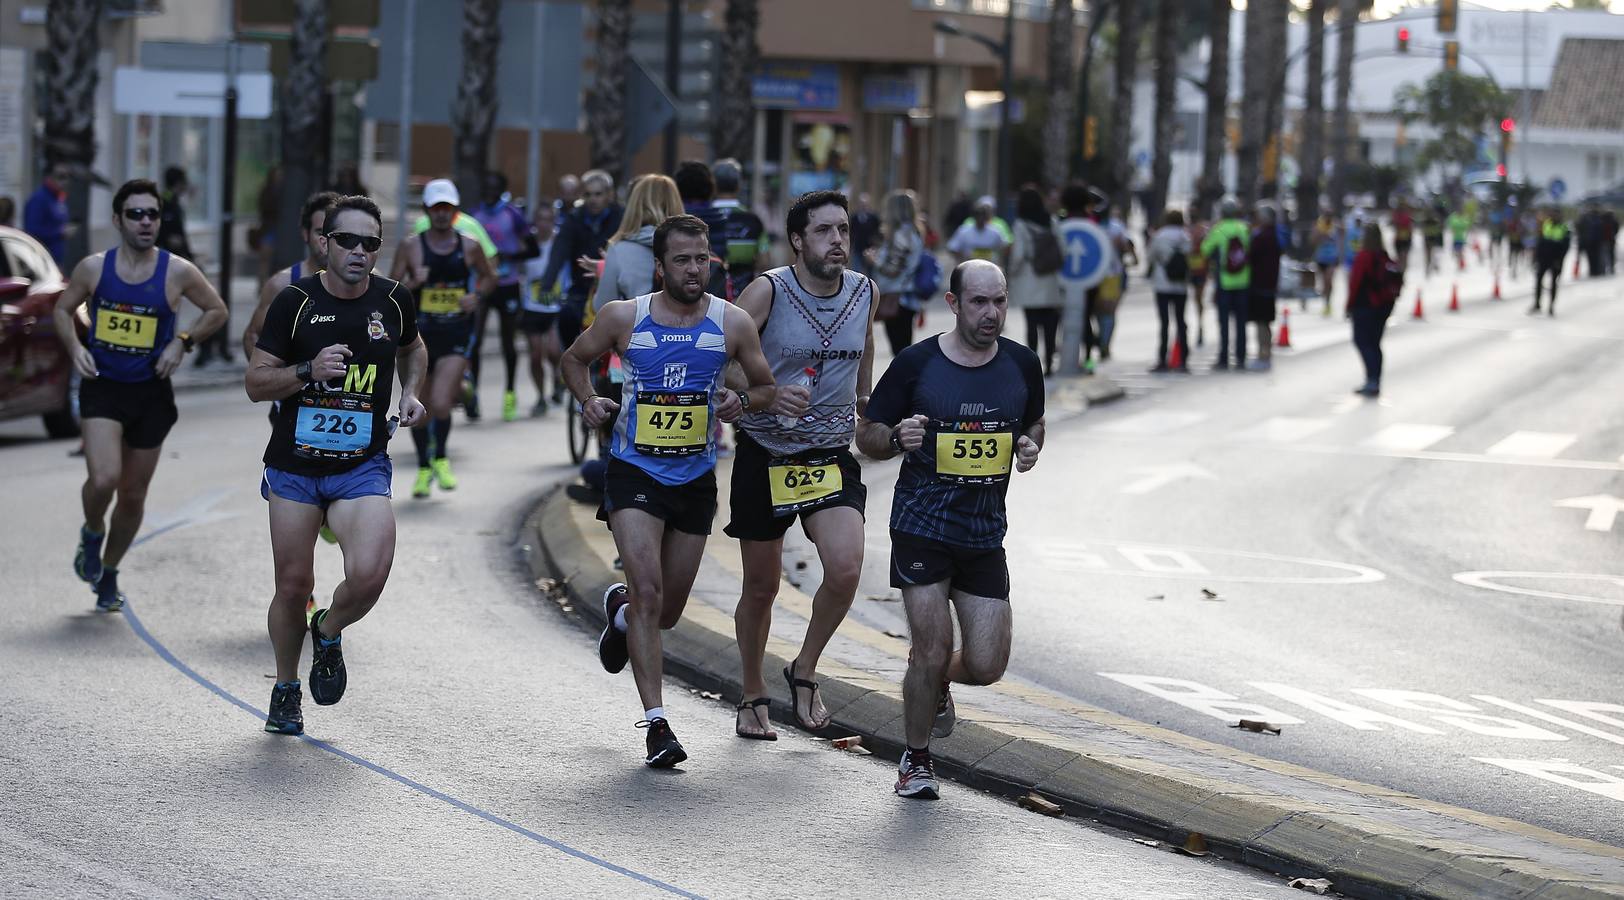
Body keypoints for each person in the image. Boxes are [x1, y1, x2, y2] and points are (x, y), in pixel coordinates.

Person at [562, 214, 790, 767]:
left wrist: (741, 402)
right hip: (634, 472)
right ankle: (657, 725)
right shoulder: (625, 317)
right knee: (649, 592)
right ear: (660, 266)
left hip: (694, 480)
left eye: (701, 259)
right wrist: (588, 400)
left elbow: (765, 387)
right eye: (682, 260)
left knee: (664, 612)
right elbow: (574, 359)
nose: (694, 269)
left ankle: (620, 614)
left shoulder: (732, 323)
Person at [856, 258, 1045, 800]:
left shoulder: (1022, 363)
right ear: (954, 303)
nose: (991, 313)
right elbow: (866, 434)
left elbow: (1034, 421)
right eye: (979, 302)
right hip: (922, 526)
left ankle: (934, 678)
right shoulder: (917, 364)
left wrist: (1030, 445)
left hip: (984, 534)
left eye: (999, 301)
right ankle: (916, 760)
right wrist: (897, 439)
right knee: (931, 646)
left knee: (986, 666)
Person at [246, 194, 428, 736]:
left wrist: (410, 392)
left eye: (370, 243)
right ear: (324, 242)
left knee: (370, 574)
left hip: (361, 465)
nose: (359, 251)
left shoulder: (393, 299)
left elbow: (413, 348)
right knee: (292, 584)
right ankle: (285, 688)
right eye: (347, 240)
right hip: (296, 467)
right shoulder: (295, 301)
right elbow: (256, 382)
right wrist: (308, 369)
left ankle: (327, 629)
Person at [726, 190, 872, 740]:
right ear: (797, 239)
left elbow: (865, 347)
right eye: (824, 231)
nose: (837, 241)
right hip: (765, 451)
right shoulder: (768, 290)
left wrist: (866, 404)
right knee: (761, 586)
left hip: (829, 454)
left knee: (846, 568)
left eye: (843, 230)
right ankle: (751, 693)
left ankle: (804, 668)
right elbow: (721, 359)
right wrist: (764, 391)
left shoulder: (864, 290)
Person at [53, 178, 229, 611]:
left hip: (151, 393)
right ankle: (92, 531)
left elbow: (217, 310)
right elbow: (62, 308)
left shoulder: (177, 271)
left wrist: (182, 342)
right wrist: (75, 347)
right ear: (118, 220)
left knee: (132, 496)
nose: (146, 221)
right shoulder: (94, 268)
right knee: (104, 479)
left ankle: (109, 571)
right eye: (136, 214)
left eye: (153, 214)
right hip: (104, 386)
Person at [389, 179, 496, 497]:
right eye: (436, 208)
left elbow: (490, 277)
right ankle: (424, 467)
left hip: (456, 332)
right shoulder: (411, 246)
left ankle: (441, 459)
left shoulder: (470, 245)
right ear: (426, 210)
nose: (441, 214)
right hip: (418, 336)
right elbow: (389, 290)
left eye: (446, 208)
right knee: (419, 406)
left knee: (439, 402)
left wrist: (476, 296)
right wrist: (412, 283)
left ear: (455, 211)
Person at [243, 191, 340, 361]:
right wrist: (274, 375)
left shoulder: (369, 281)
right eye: (320, 232)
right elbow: (252, 335)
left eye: (334, 233)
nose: (326, 241)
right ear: (305, 234)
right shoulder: (282, 284)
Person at [470, 172, 536, 422]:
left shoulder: (513, 214)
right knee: (475, 340)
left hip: (508, 285)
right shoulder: (474, 215)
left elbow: (533, 249)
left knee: (508, 342)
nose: (489, 192)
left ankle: (509, 392)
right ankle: (473, 395)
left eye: (494, 188)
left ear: (502, 190)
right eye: (486, 187)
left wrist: (507, 255)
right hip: (482, 284)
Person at [537, 169, 622, 360]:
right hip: (581, 288)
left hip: (614, 288)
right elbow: (559, 252)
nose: (593, 200)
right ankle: (574, 361)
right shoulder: (574, 218)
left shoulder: (621, 217)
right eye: (588, 194)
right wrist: (547, 285)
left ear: (609, 195)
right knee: (566, 317)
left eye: (598, 194)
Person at [595, 175, 685, 310]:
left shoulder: (619, 249)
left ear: (635, 204)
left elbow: (602, 306)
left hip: (637, 322)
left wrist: (602, 271)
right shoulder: (692, 245)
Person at [1006, 187, 1062, 374]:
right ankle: (1050, 363)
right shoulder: (1052, 221)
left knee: (1031, 325)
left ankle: (1033, 364)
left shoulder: (1021, 225)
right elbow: (1063, 249)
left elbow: (1019, 254)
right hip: (1050, 280)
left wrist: (1011, 272)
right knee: (1050, 325)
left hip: (1029, 280)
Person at [866, 189, 927, 356]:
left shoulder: (902, 235)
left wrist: (874, 261)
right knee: (902, 347)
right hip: (905, 296)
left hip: (898, 296)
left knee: (900, 350)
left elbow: (894, 269)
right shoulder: (912, 232)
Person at [520, 204, 566, 416]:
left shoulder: (560, 242)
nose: (544, 224)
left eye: (548, 219)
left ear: (554, 221)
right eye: (540, 219)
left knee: (554, 351)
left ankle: (558, 378)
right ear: (535, 222)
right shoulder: (527, 243)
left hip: (555, 306)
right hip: (532, 306)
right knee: (536, 356)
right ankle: (540, 397)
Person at [1346, 222, 1397, 397]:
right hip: (1384, 306)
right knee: (1375, 344)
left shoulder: (1364, 256)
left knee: (1362, 342)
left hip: (1365, 305)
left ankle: (1371, 379)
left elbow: (1355, 283)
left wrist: (1349, 305)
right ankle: (1375, 380)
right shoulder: (1384, 256)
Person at [1200, 200, 1251, 370]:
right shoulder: (1244, 228)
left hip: (1225, 282)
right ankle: (1241, 357)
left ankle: (1224, 358)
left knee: (1224, 322)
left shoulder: (1218, 229)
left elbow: (1205, 250)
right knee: (1241, 322)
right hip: (1243, 281)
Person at [711, 158, 768, 300]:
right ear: (738, 186)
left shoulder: (704, 217)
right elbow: (765, 260)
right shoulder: (753, 220)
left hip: (710, 294)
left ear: (713, 185)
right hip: (743, 296)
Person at [1148, 209, 1192, 373]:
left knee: (1164, 322)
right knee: (1181, 321)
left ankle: (1162, 359)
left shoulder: (1159, 236)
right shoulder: (1185, 237)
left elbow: (1151, 257)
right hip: (1180, 285)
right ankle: (1183, 360)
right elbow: (1190, 256)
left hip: (1162, 285)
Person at [1248, 206, 1282, 372]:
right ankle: (1266, 353)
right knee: (1265, 322)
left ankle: (1263, 353)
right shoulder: (1274, 235)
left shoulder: (1261, 237)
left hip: (1260, 283)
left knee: (1261, 322)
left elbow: (1250, 257)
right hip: (1270, 284)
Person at [25, 162, 74, 270]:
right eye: (61, 176)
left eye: (68, 176)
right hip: (42, 261)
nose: (65, 181)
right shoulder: (39, 199)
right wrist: (60, 233)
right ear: (49, 177)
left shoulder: (59, 198)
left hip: (57, 259)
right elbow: (32, 231)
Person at [946, 197, 1010, 265]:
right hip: (969, 267)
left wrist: (1000, 262)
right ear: (974, 216)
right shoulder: (964, 231)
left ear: (987, 217)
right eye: (978, 215)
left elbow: (1004, 246)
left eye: (983, 215)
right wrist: (962, 259)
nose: (980, 218)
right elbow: (952, 247)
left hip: (989, 267)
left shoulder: (995, 232)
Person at [1531, 206, 1570, 317]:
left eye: (1556, 214)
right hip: (1543, 259)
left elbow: (1565, 247)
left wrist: (1559, 260)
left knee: (1553, 283)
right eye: (1552, 214)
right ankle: (1537, 304)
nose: (1553, 216)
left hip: (1555, 260)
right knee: (1538, 280)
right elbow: (1540, 242)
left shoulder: (1564, 228)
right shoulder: (1546, 224)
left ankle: (1551, 307)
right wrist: (1536, 257)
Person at [1186, 207, 1210, 347]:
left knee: (1196, 299)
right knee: (1198, 299)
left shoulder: (1187, 230)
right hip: (1200, 269)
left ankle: (1199, 325)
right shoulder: (1204, 229)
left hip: (1192, 269)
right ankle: (1200, 324)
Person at [1312, 213, 1340, 315]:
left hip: (1332, 258)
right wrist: (1319, 234)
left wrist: (1339, 256)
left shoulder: (1335, 227)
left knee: (1329, 281)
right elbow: (1313, 241)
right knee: (1324, 283)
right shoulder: (1319, 227)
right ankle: (1325, 303)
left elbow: (1340, 242)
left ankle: (1328, 303)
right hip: (1321, 258)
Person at [849, 192, 882, 275]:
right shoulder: (854, 218)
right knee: (857, 271)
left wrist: (876, 244)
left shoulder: (874, 217)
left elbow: (878, 232)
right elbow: (851, 232)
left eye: (865, 204)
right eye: (861, 204)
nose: (863, 206)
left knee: (871, 272)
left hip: (870, 248)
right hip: (858, 248)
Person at [1390, 201, 1414, 276]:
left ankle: (1401, 274)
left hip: (1402, 239)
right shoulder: (1403, 215)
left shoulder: (1398, 215)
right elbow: (1410, 228)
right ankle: (1401, 273)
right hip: (1402, 239)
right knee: (1402, 258)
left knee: (1401, 258)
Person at [1420, 204, 1444, 275]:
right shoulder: (1427, 220)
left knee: (1432, 254)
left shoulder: (1434, 220)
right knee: (1429, 254)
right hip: (1429, 238)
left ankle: (1431, 266)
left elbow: (1439, 229)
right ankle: (1429, 267)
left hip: (1432, 238)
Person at [1447, 207, 1471, 271]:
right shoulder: (1454, 218)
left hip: (1461, 239)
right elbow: (1451, 225)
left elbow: (1467, 226)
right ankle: (1460, 264)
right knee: (1458, 252)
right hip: (1456, 239)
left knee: (1460, 252)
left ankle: (1461, 265)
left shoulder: (1462, 219)